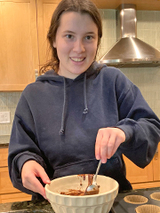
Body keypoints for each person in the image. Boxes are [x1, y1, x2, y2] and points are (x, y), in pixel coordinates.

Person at [8, 0, 160, 200]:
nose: (79, 48)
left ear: (98, 40)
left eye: (88, 37)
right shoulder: (33, 95)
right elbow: (21, 152)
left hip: (111, 202)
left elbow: (151, 127)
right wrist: (26, 163)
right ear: (53, 39)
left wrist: (125, 131)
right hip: (54, 203)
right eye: (69, 36)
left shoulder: (113, 81)